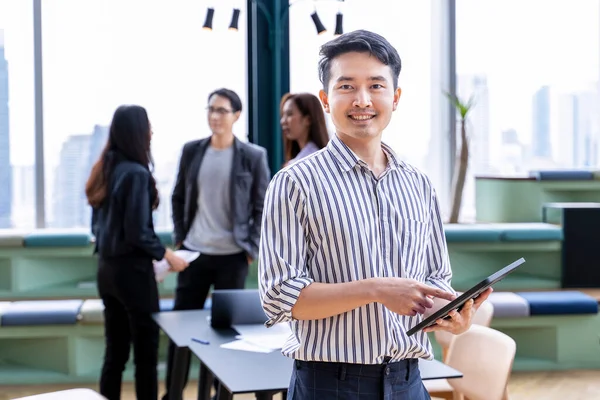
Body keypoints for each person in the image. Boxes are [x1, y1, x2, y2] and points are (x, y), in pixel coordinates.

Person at [258, 30, 492, 399]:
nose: (362, 100)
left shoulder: (419, 184)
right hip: (328, 385)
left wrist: (453, 314)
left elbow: (434, 280)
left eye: (376, 86)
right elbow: (279, 296)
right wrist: (375, 289)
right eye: (347, 86)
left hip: (409, 381)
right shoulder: (293, 183)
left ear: (395, 97)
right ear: (325, 99)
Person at [162, 88, 271, 400]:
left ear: (236, 115)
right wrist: (181, 239)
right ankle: (173, 392)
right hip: (194, 254)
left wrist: (249, 247)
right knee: (180, 329)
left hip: (232, 257)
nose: (215, 116)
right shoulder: (192, 151)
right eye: (211, 109)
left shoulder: (253, 156)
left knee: (226, 333)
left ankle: (218, 394)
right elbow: (178, 196)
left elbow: (262, 208)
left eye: (222, 110)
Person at [86, 105, 189, 400]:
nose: (152, 132)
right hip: (133, 274)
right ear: (137, 133)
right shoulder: (135, 173)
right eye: (148, 127)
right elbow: (138, 232)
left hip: (106, 271)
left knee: (114, 353)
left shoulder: (105, 169)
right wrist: (167, 255)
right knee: (145, 354)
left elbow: (99, 227)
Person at [279, 92, 330, 166]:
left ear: (308, 119)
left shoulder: (311, 161)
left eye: (289, 114)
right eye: (283, 115)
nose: (283, 121)